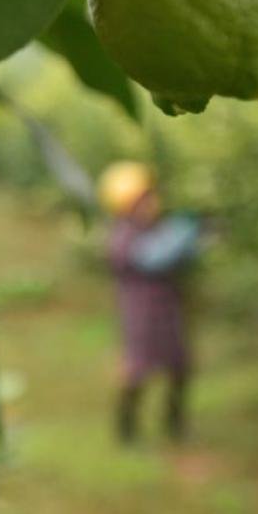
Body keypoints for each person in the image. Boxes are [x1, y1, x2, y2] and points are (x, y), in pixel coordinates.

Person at [99, 162, 202, 444]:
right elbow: (151, 259)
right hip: (140, 314)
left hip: (168, 310)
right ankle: (127, 431)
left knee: (179, 367)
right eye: (143, 199)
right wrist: (181, 236)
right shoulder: (122, 235)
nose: (151, 204)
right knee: (137, 371)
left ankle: (175, 425)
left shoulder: (154, 228)